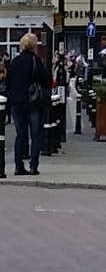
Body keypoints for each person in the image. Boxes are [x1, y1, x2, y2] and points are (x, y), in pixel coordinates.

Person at [6, 32, 50, 176]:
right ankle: (33, 166)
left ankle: (18, 166)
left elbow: (9, 81)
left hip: (16, 102)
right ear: (33, 46)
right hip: (32, 101)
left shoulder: (15, 61)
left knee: (20, 135)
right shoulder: (36, 60)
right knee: (36, 134)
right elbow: (44, 81)